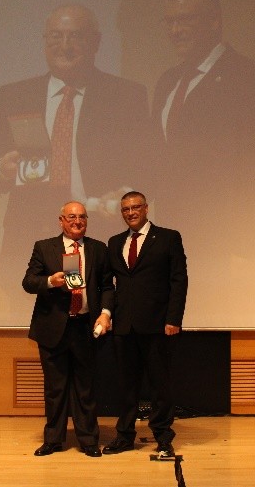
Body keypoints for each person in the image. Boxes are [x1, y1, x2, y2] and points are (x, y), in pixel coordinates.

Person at [0, 4, 152, 283]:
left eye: (75, 36)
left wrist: (125, 194)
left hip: (98, 236)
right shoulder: (16, 96)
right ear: (45, 41)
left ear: (95, 42)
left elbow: (148, 167)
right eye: (56, 36)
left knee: (89, 308)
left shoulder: (125, 96)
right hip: (32, 241)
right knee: (30, 311)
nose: (64, 46)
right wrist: (1, 168)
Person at [152, 0, 255, 270]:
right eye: (170, 22)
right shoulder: (168, 82)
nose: (175, 30)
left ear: (214, 21)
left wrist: (246, 247)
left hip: (230, 249)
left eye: (185, 20)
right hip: (174, 244)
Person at [21, 201, 114, 458]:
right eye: (71, 217)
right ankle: (53, 440)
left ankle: (88, 440)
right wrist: (50, 281)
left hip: (86, 326)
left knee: (86, 388)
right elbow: (28, 282)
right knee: (55, 389)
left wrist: (105, 313)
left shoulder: (98, 249)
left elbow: (108, 286)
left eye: (82, 217)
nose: (77, 221)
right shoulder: (44, 247)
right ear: (61, 220)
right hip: (53, 328)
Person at [102, 191, 187, 458]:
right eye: (125, 209)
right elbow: (109, 284)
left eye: (135, 207)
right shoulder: (115, 242)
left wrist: (173, 319)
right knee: (126, 386)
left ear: (146, 208)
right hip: (123, 327)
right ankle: (124, 436)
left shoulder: (168, 238)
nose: (131, 213)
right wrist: (107, 314)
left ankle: (163, 436)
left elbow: (179, 281)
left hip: (158, 325)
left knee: (160, 385)